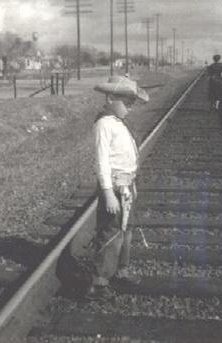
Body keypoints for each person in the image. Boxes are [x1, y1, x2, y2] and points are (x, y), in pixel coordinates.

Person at [85, 99, 141, 301]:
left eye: (132, 102)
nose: (131, 107)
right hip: (115, 187)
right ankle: (99, 283)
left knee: (127, 229)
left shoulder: (118, 122)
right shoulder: (104, 124)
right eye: (126, 102)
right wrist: (108, 193)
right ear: (109, 100)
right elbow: (102, 161)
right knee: (111, 232)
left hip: (127, 185)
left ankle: (121, 271)